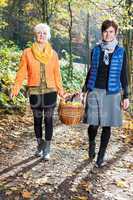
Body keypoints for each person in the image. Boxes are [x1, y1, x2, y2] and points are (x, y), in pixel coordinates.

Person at [11, 23, 66, 160]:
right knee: (37, 119)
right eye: (39, 33)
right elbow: (21, 72)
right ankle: (40, 144)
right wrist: (15, 88)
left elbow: (57, 74)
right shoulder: (27, 53)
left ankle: (47, 148)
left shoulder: (53, 54)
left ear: (48, 36)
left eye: (44, 33)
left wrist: (61, 91)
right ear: (35, 35)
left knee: (48, 119)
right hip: (34, 91)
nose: (41, 35)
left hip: (50, 92)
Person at [82, 20, 129, 168]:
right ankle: (91, 142)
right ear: (102, 32)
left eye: (111, 32)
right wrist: (84, 90)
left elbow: (124, 74)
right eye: (105, 31)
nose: (108, 34)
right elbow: (91, 70)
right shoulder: (96, 50)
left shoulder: (121, 51)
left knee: (107, 126)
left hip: (112, 93)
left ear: (115, 34)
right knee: (93, 125)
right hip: (95, 91)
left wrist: (126, 95)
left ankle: (101, 157)